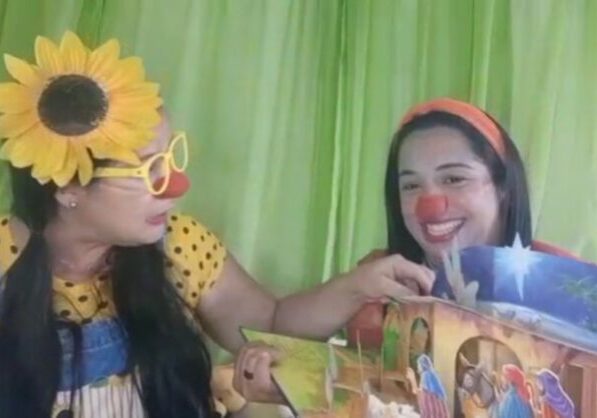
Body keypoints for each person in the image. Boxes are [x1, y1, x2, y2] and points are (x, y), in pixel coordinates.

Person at [0, 32, 435, 418]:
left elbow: (269, 323)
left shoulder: (179, 244)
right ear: (68, 187)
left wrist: (359, 286)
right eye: (148, 169)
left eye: (171, 157)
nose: (174, 185)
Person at [348, 97, 576, 346]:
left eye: (454, 179)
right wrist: (350, 288)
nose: (430, 206)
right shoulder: (379, 277)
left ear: (504, 187)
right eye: (411, 185)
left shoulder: (568, 284)